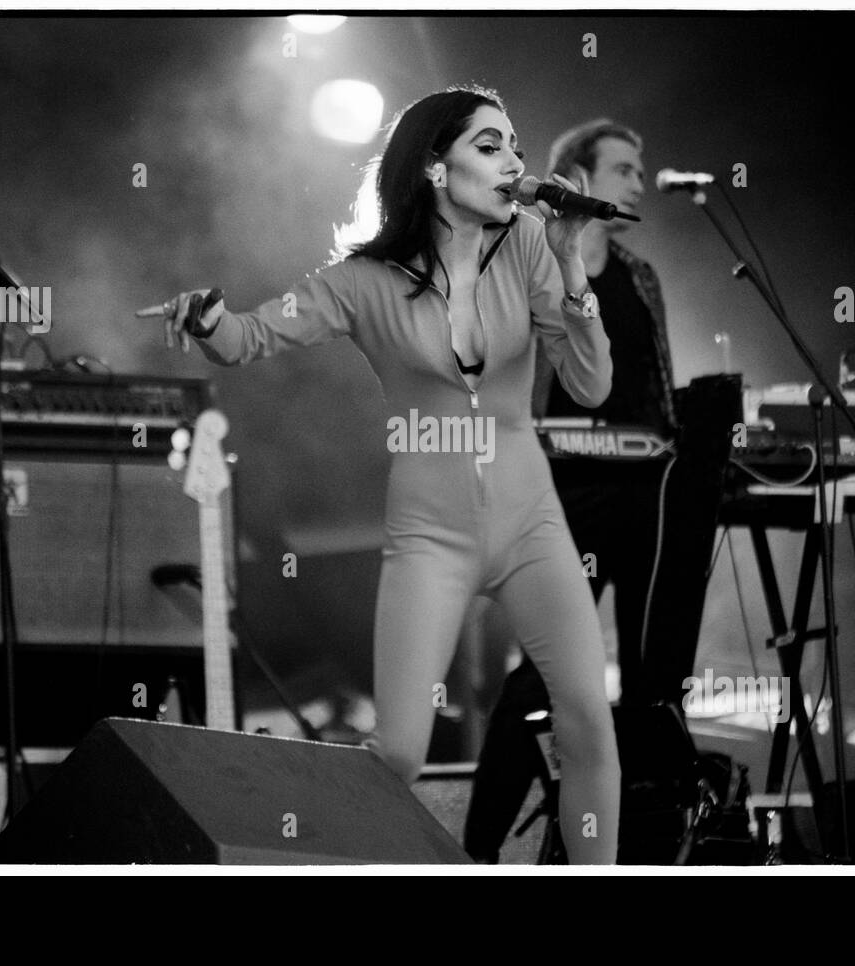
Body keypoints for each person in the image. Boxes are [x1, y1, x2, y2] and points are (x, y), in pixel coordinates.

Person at [139, 87, 622, 864]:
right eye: (491, 146)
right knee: (399, 751)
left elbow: (593, 386)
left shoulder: (532, 246)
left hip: (531, 521)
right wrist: (207, 322)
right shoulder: (364, 283)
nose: (515, 164)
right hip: (432, 533)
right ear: (436, 167)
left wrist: (571, 265)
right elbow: (255, 334)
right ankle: (280, 842)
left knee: (588, 718)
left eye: (517, 149)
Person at [464, 119, 679, 862]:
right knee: (548, 669)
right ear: (578, 177)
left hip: (641, 493)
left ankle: (633, 850)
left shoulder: (640, 274)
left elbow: (656, 384)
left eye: (641, 168)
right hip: (557, 492)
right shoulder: (527, 258)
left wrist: (675, 446)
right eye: (624, 167)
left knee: (653, 674)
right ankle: (476, 851)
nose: (639, 179)